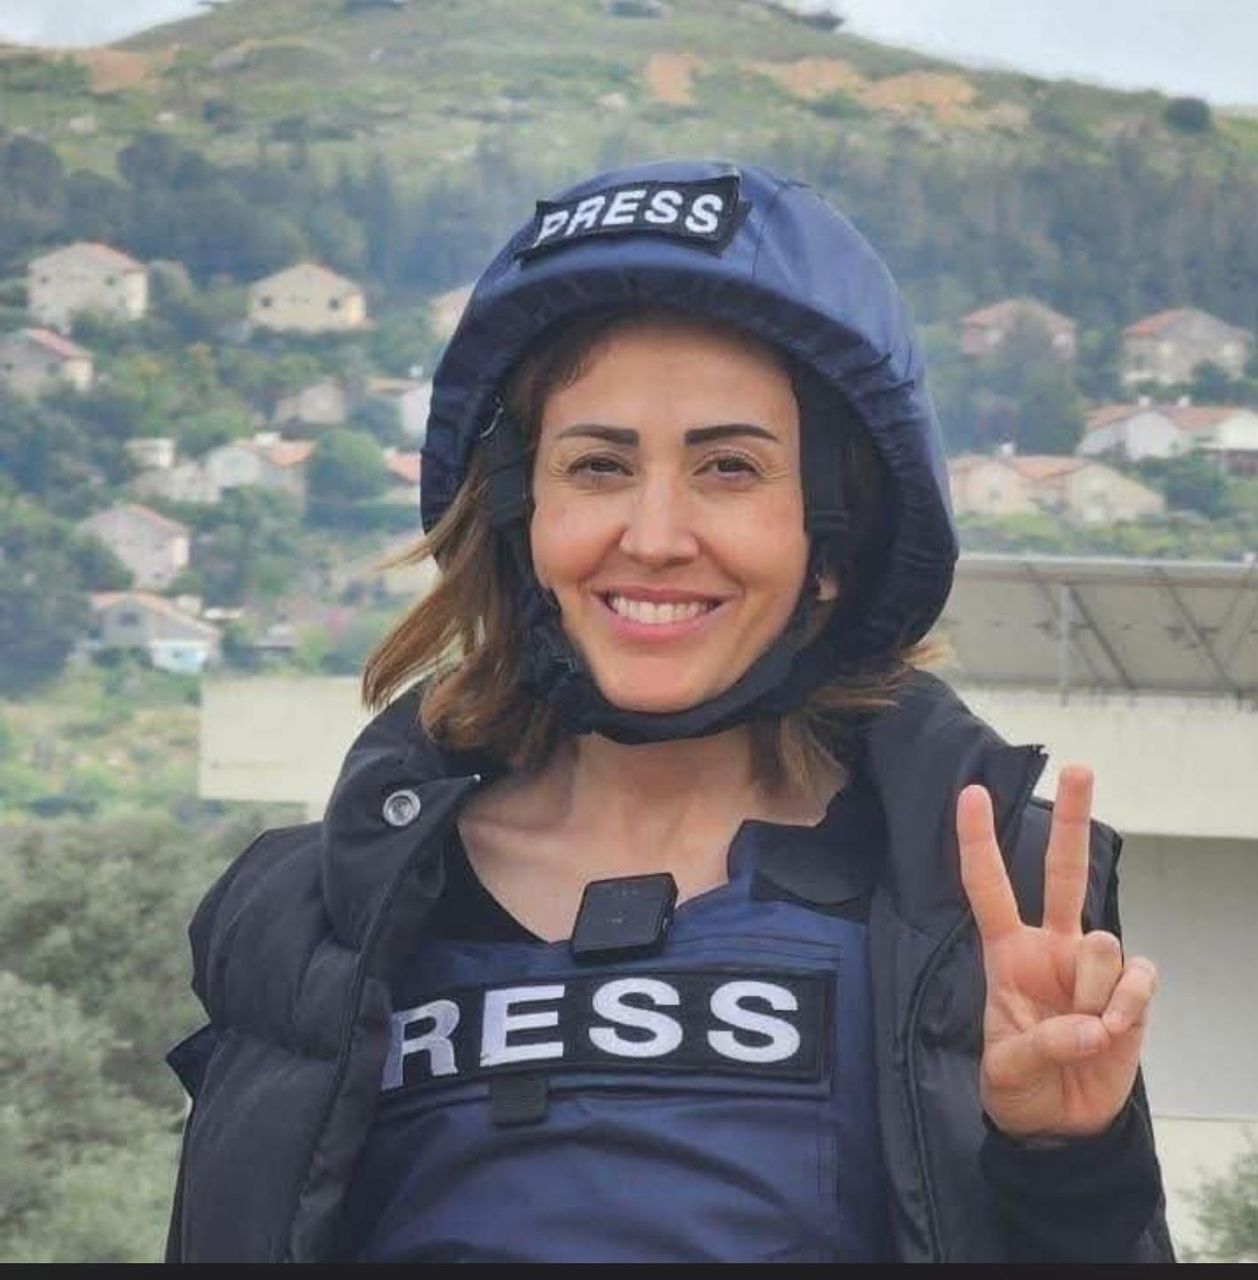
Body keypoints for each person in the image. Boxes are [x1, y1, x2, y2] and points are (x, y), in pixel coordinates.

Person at [164, 160, 1173, 1263]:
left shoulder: (979, 904)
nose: (652, 537)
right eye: (598, 466)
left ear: (835, 536)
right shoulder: (319, 919)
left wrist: (1069, 1165)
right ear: (519, 515)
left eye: (729, 467)